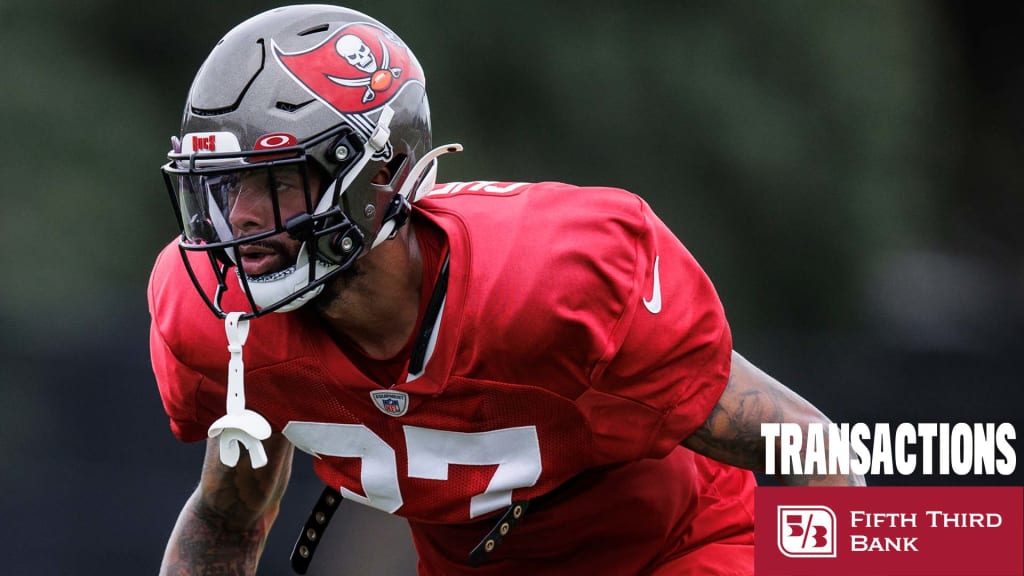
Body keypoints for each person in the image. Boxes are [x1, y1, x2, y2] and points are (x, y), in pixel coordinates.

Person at [148, 5, 865, 575]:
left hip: (677, 551)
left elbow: (814, 453)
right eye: (223, 186)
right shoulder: (219, 320)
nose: (237, 219)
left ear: (379, 176)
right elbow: (226, 520)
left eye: (274, 182)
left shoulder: (555, 282)